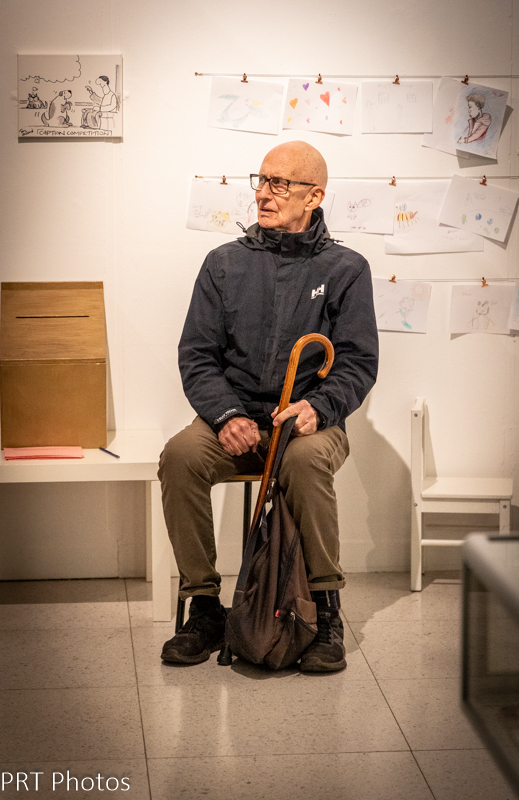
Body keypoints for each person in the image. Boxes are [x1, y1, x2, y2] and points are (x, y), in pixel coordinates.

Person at [158, 141, 378, 672]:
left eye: (279, 183)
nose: (263, 192)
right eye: (261, 180)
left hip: (307, 425)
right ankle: (204, 606)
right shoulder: (223, 264)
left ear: (314, 196)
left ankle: (325, 611)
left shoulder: (347, 268)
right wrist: (226, 415)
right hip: (233, 419)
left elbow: (357, 362)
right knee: (180, 457)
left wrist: (317, 408)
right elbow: (197, 355)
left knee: (304, 462)